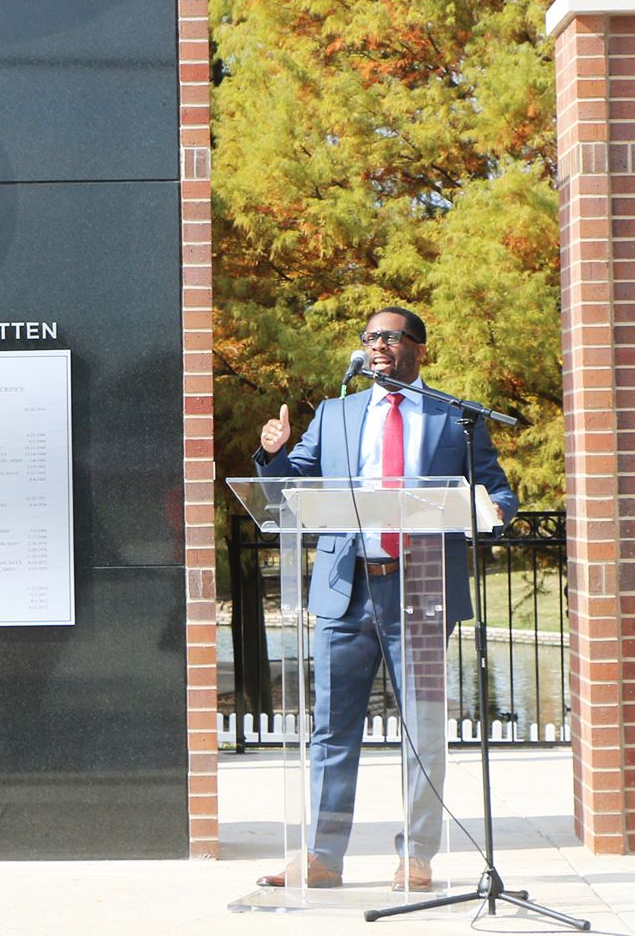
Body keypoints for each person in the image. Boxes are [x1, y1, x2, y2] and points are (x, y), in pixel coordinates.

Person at [253, 307, 517, 893]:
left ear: (419, 348)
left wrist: (497, 508)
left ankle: (416, 856)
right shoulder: (336, 413)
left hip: (421, 588)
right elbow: (290, 486)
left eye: (389, 337)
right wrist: (273, 454)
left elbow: (496, 486)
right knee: (331, 729)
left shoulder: (456, 419)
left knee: (422, 729)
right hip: (347, 589)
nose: (376, 346)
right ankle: (322, 856)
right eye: (370, 338)